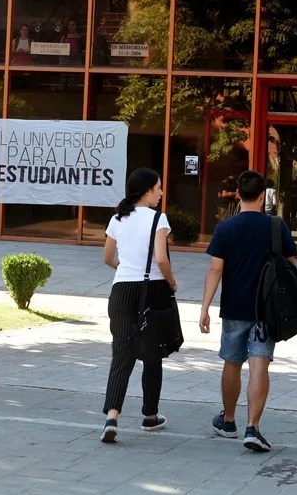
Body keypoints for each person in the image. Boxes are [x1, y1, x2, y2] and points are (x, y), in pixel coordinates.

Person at [200, 170, 297, 452]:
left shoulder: (225, 229)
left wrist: (205, 308)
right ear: (264, 195)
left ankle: (228, 420)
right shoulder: (277, 227)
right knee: (259, 363)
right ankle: (252, 427)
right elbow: (290, 267)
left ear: (238, 194)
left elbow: (215, 269)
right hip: (267, 311)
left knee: (232, 362)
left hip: (234, 308)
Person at [100, 168, 177, 443]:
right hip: (152, 289)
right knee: (152, 353)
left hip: (121, 290)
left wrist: (127, 268)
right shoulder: (158, 218)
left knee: (121, 354)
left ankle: (112, 417)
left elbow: (108, 257)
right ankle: (149, 416)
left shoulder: (118, 218)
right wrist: (172, 282)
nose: (160, 193)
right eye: (158, 188)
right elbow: (161, 259)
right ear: (146, 191)